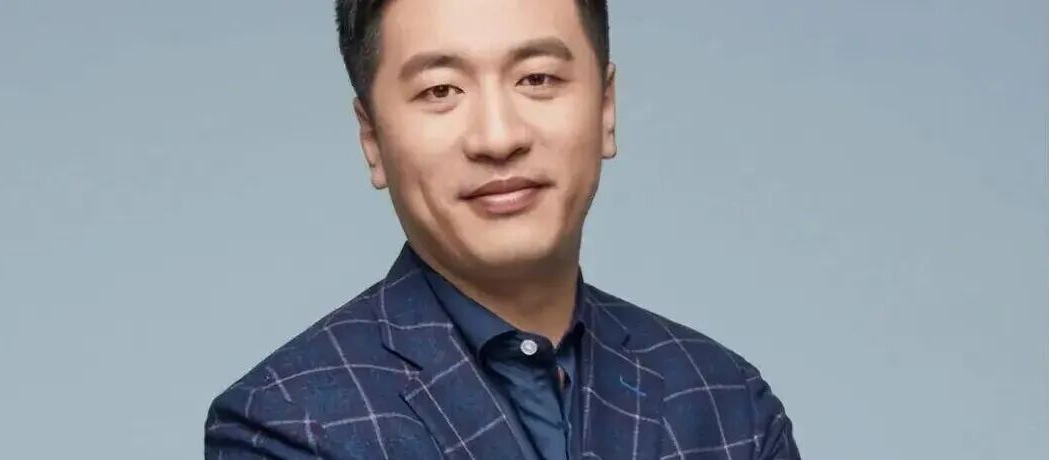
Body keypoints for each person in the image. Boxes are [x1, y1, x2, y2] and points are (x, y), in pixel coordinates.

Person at [204, 0, 800, 458]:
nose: (498, 137)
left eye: (537, 78)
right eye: (441, 90)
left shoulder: (727, 405)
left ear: (606, 108)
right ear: (372, 139)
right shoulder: (286, 423)